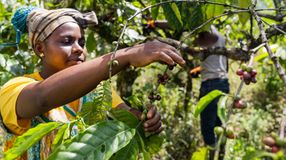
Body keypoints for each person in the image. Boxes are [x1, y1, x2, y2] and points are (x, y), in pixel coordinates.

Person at [0, 6, 185, 159]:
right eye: (67, 41)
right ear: (40, 48)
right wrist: (126, 55)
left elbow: (127, 117)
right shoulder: (15, 88)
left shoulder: (97, 91)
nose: (79, 49)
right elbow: (41, 98)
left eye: (82, 42)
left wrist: (146, 121)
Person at [192, 25, 229, 159]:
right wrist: (200, 70)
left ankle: (212, 155)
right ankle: (221, 153)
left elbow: (179, 24)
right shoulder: (221, 37)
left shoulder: (206, 29)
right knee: (219, 123)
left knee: (208, 125)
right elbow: (224, 64)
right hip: (224, 82)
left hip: (210, 84)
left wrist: (155, 23)